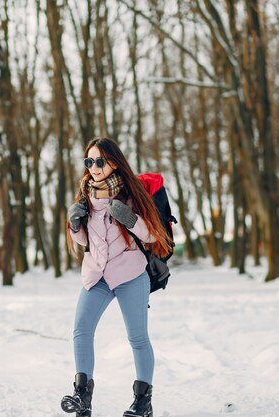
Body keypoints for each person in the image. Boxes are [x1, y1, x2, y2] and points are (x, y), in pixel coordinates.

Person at [60, 137, 173, 417]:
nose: (94, 167)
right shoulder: (86, 193)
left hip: (129, 274)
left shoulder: (132, 193)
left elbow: (151, 236)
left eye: (100, 161)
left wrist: (130, 218)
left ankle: (142, 402)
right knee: (81, 331)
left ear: (113, 162)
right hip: (96, 274)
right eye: (89, 161)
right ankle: (82, 396)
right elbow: (84, 239)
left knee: (137, 338)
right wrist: (75, 224)